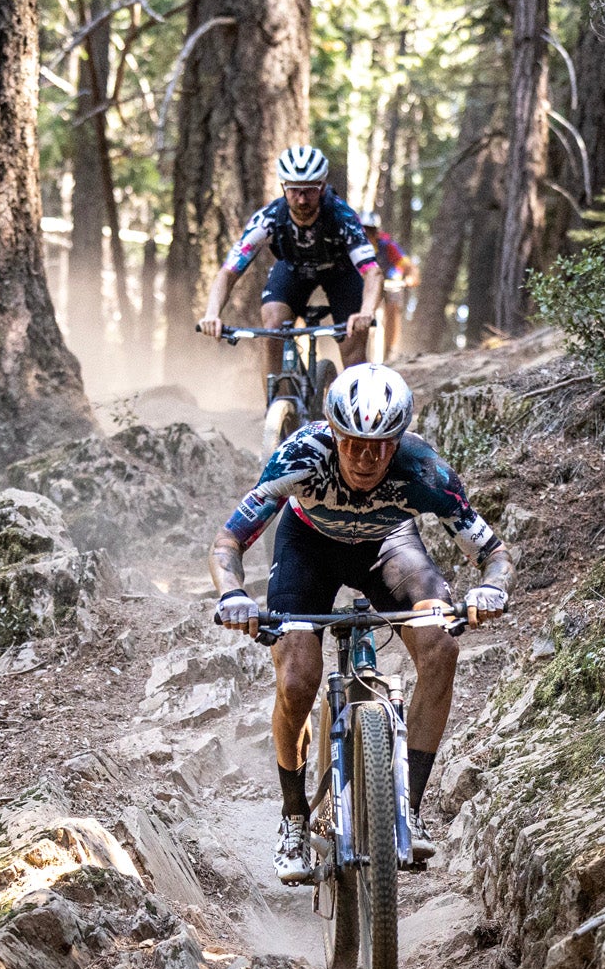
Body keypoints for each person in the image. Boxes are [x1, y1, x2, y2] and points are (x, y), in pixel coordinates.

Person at [206, 364, 513, 884]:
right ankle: (294, 817)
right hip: (309, 548)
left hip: (387, 545)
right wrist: (234, 594)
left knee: (440, 649)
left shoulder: (424, 470)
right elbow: (227, 543)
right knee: (298, 680)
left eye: (381, 445)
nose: (367, 457)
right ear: (333, 433)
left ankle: (408, 809)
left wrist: (491, 588)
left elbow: (494, 554)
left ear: (398, 442)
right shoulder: (300, 456)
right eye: (353, 443)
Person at [198, 147, 381, 370]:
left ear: (322, 187)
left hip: (340, 272)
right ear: (283, 187)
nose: (302, 199)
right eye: (294, 190)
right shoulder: (269, 218)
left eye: (310, 191)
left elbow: (372, 272)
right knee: (273, 327)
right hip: (293, 269)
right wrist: (212, 314)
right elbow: (228, 272)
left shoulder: (342, 217)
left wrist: (366, 312)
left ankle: (355, 399)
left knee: (353, 352)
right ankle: (275, 400)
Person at [360, 210, 416, 360]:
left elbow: (407, 265)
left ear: (376, 231)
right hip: (369, 283)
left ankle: (389, 350)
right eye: (364, 230)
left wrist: (410, 278)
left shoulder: (387, 245)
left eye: (370, 230)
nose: (367, 234)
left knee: (393, 307)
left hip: (390, 281)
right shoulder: (355, 245)